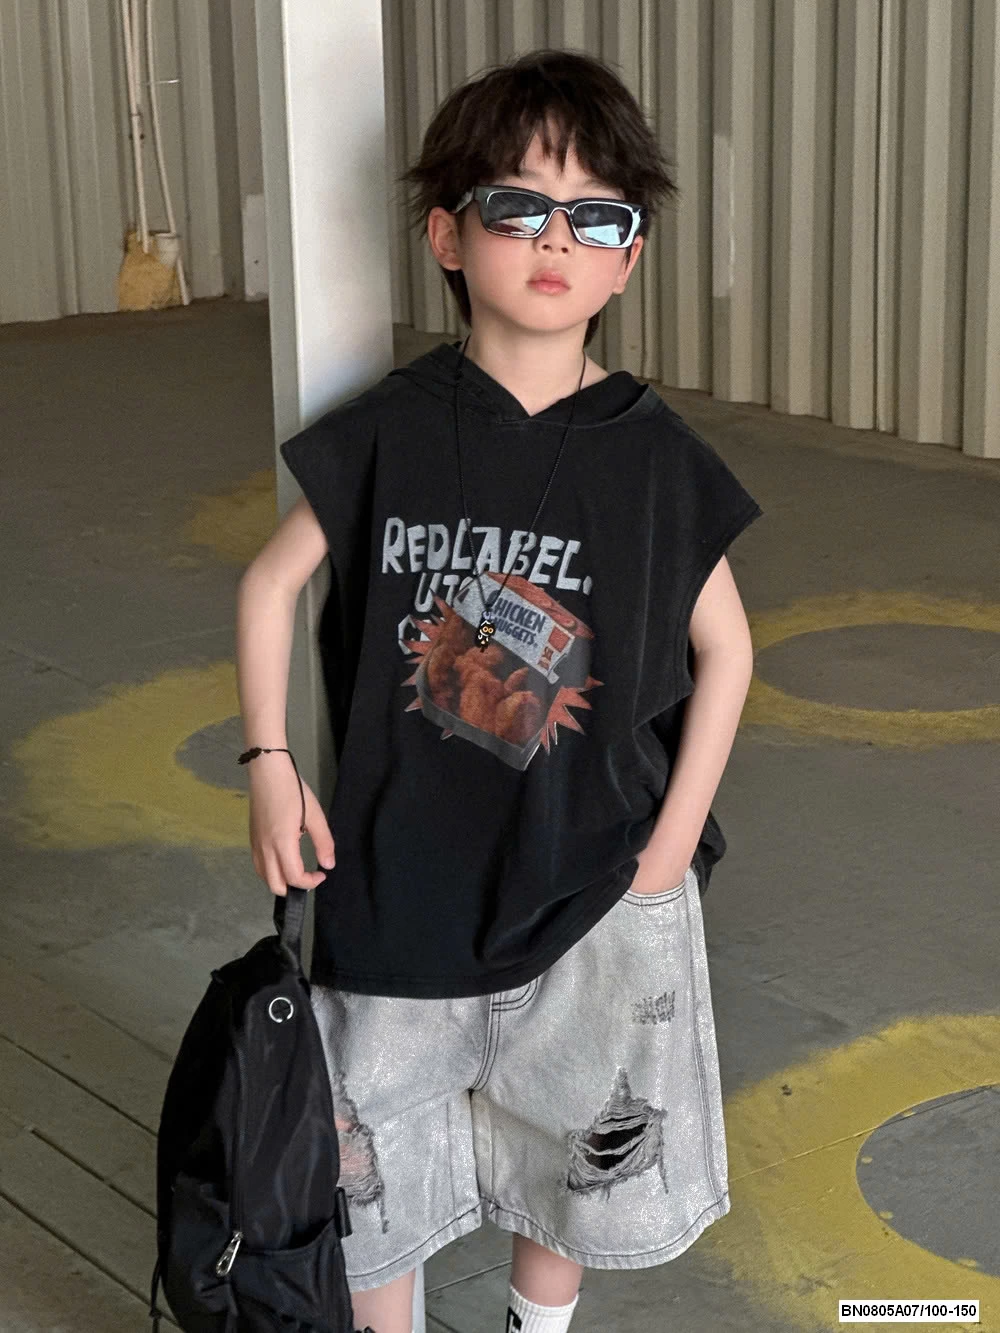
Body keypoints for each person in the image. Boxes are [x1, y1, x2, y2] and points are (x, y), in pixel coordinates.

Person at [236, 47, 763, 1333]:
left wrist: (668, 849)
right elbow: (268, 585)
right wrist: (269, 766)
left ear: (628, 260)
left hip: (593, 884)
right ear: (447, 236)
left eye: (596, 216)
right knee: (372, 1158)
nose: (556, 239)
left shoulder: (654, 456)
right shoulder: (393, 428)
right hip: (395, 880)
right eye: (517, 205)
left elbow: (730, 650)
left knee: (574, 1150)